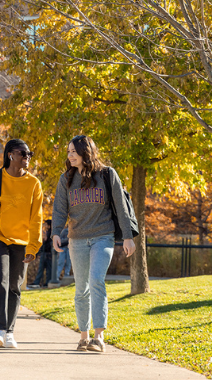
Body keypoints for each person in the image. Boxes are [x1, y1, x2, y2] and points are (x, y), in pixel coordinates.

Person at [52, 135, 136, 353]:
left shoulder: (107, 174)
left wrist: (128, 236)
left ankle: (99, 337)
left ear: (85, 153)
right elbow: (60, 209)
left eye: (73, 152)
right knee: (81, 288)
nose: (69, 155)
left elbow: (121, 206)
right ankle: (83, 336)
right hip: (77, 238)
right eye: (68, 151)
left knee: (96, 280)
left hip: (103, 236)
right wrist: (55, 233)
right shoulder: (67, 179)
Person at [0, 139, 43, 349]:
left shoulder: (34, 184)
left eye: (29, 154)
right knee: (0, 277)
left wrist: (33, 247)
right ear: (10, 155)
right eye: (23, 154)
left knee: (15, 285)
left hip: (21, 241)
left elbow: (37, 218)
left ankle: (10, 331)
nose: (27, 158)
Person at [29, 219, 52, 288]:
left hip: (48, 253)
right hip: (45, 253)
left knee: (48, 269)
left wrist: (45, 240)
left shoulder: (51, 233)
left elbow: (48, 244)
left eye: (46, 224)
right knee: (42, 269)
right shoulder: (47, 232)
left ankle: (46, 282)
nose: (45, 225)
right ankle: (38, 282)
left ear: (49, 225)